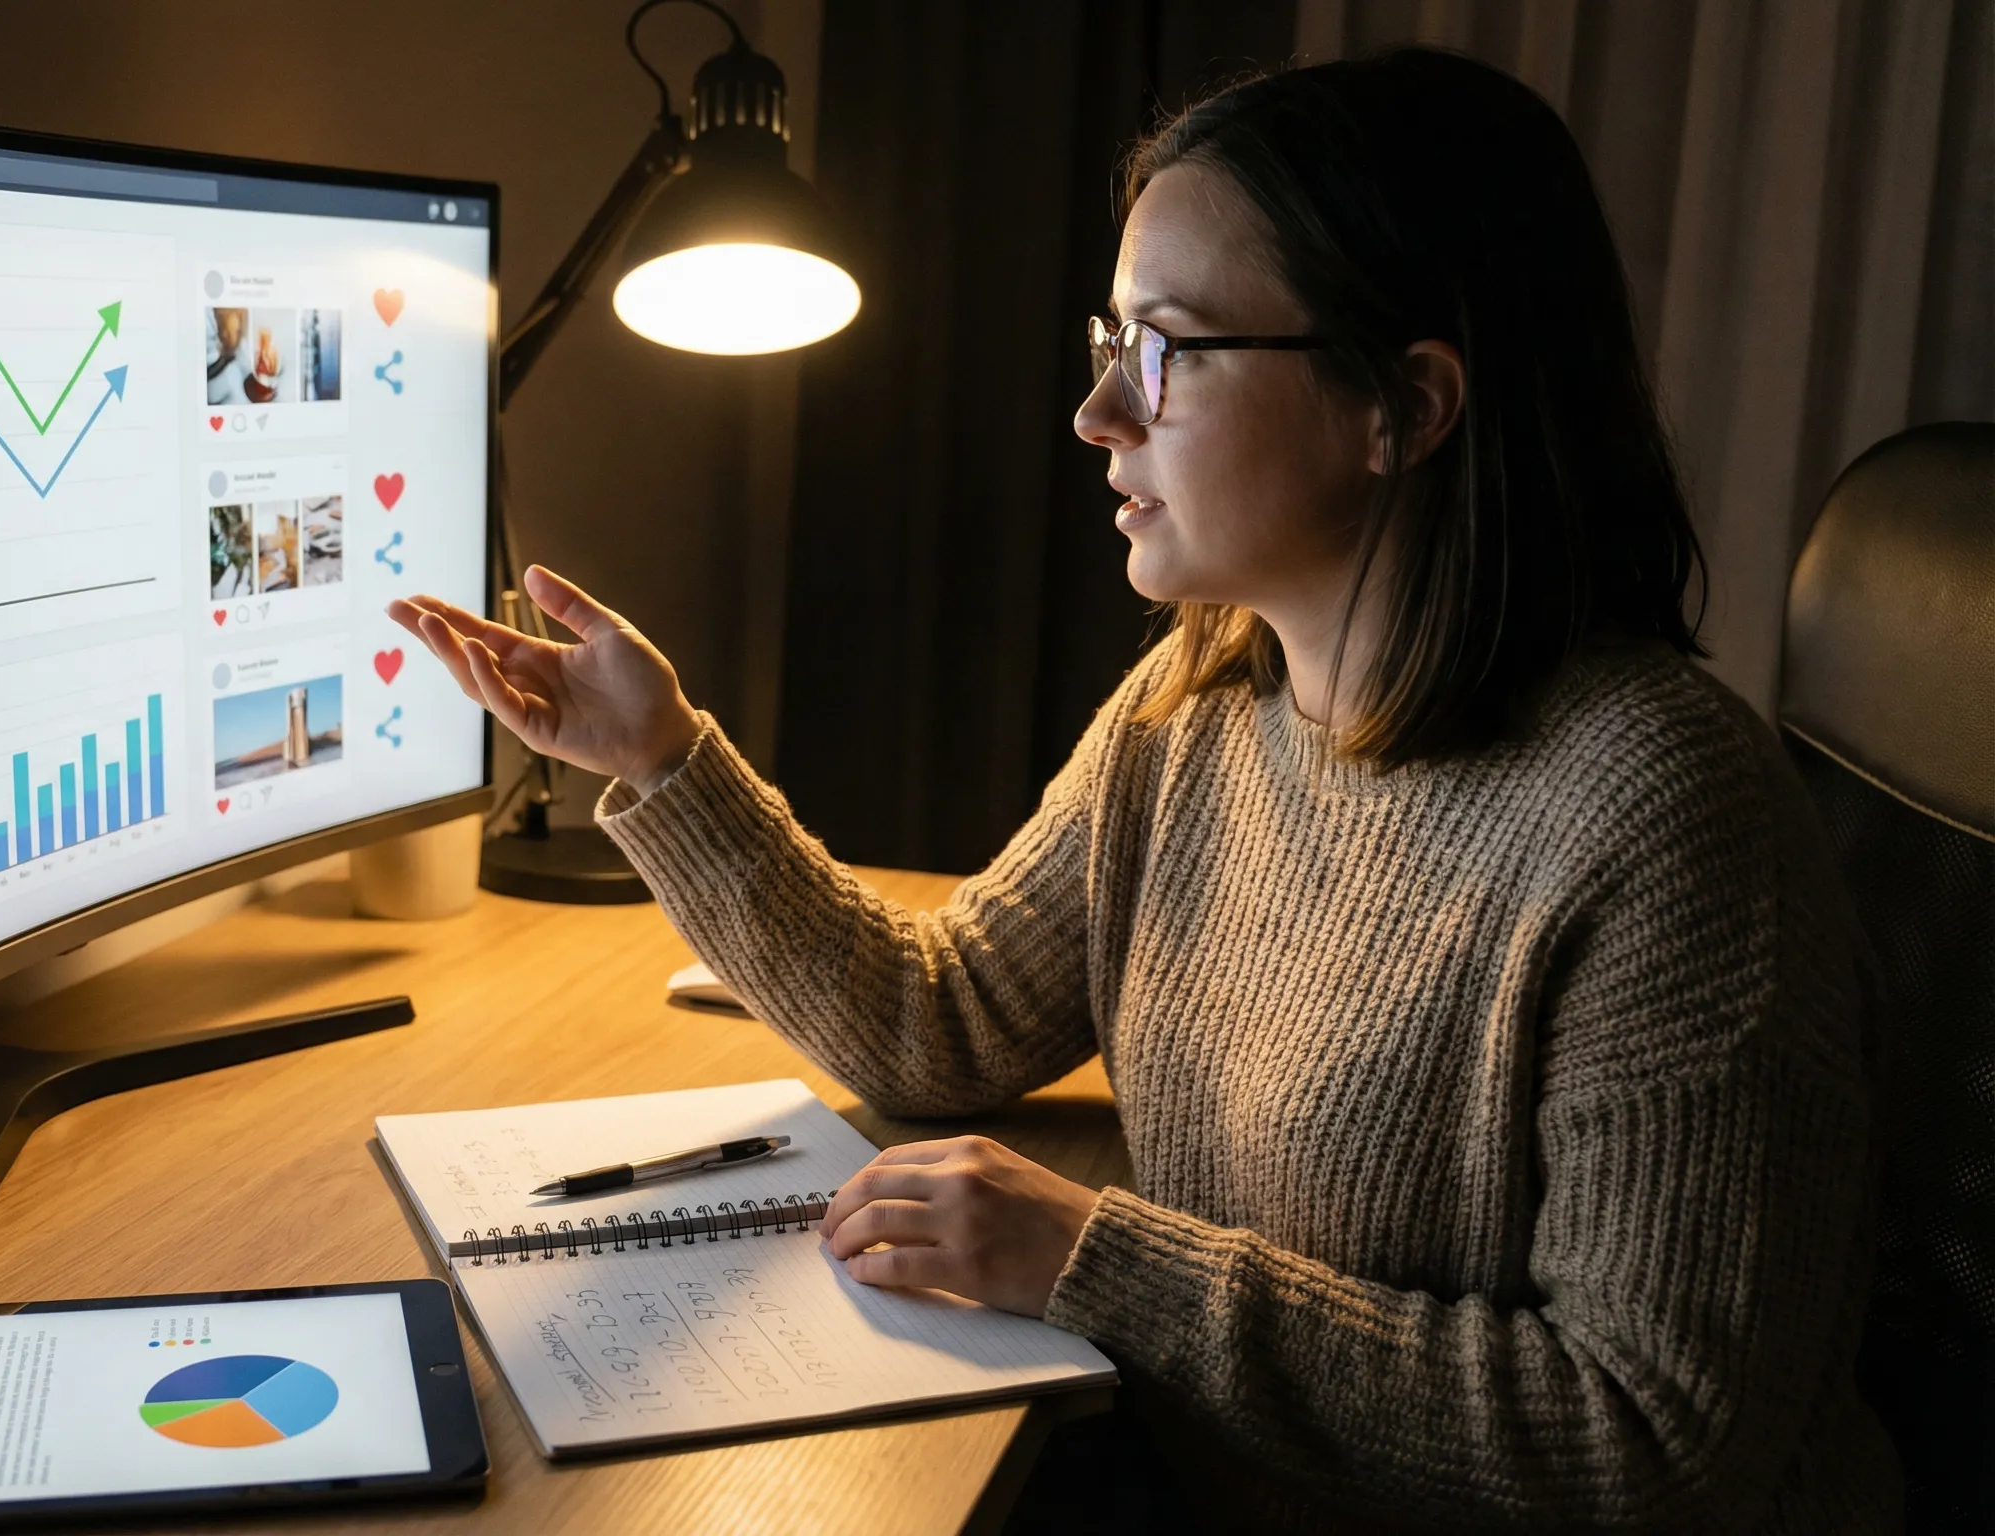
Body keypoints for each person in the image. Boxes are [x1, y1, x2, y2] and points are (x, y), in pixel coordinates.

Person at [390, 47, 1898, 1534]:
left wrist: (1094, 1262)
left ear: (1407, 406)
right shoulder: (1205, 699)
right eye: (1108, 340)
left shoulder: (1667, 823)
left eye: (1165, 350)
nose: (1100, 414)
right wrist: (662, 760)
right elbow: (943, 1017)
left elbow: (1649, 1445)